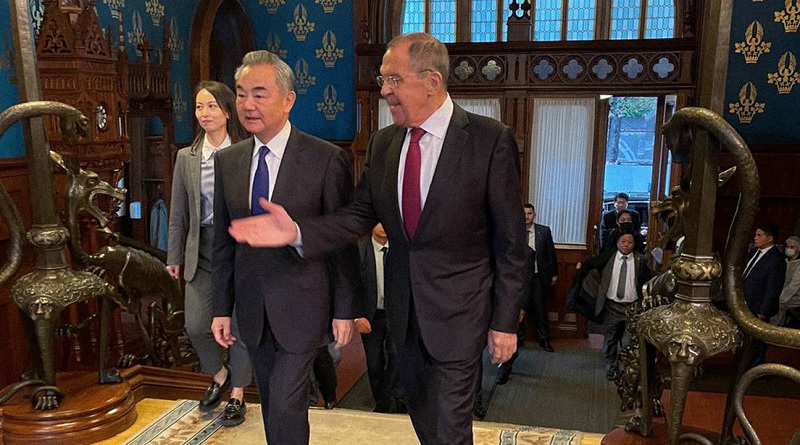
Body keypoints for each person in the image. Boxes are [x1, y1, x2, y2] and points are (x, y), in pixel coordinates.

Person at [227, 33, 526, 445]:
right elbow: (356, 217)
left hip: (461, 313)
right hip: (402, 313)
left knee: (451, 426)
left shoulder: (489, 140)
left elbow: (511, 244)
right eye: (383, 79)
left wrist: (505, 322)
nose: (384, 90)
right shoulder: (384, 143)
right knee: (424, 419)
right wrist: (297, 231)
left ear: (432, 82)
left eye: (394, 80)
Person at [210, 50, 360, 445]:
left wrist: (345, 310)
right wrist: (221, 308)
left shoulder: (326, 159)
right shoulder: (229, 161)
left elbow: (341, 241)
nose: (248, 104)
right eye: (241, 94)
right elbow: (223, 243)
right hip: (252, 309)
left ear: (288, 99)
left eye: (259, 94)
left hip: (305, 305)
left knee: (286, 403)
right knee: (271, 402)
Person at [166, 80, 252, 426]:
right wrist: (173, 256)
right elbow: (178, 212)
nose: (205, 113)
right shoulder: (185, 157)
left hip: (238, 246)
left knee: (239, 327)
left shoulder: (246, 150)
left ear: (228, 112)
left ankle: (237, 395)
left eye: (212, 106)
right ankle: (219, 374)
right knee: (196, 325)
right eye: (200, 107)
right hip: (199, 250)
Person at [580, 232, 651, 380]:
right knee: (610, 337)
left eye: (630, 242)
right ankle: (611, 366)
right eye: (623, 242)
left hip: (633, 306)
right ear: (617, 243)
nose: (626, 245)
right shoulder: (609, 257)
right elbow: (591, 265)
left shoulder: (640, 260)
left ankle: (627, 367)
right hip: (612, 305)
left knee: (630, 339)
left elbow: (647, 280)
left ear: (634, 244)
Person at [356, 223, 405, 413]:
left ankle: (392, 398)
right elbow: (352, 285)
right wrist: (356, 317)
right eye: (377, 221)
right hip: (370, 315)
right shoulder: (360, 250)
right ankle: (382, 400)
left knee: (397, 355)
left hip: (395, 313)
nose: (383, 226)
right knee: (374, 362)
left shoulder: (401, 249)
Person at [774, 235, 800, 328]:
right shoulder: (784, 261)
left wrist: (781, 297)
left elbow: (794, 285)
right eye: (787, 247)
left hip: (795, 296)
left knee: (778, 306)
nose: (789, 249)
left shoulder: (798, 264)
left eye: (792, 247)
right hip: (781, 292)